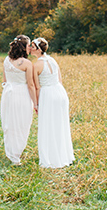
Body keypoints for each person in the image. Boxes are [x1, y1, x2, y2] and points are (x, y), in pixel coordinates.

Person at [30, 37, 74, 168]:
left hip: (48, 95)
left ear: (38, 49)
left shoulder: (36, 65)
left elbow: (37, 87)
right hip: (60, 93)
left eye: (32, 46)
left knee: (48, 125)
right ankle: (64, 154)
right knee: (61, 124)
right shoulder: (53, 61)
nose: (30, 48)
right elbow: (59, 79)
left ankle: (51, 158)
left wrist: (36, 104)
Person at [0, 35, 37, 165]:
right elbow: (31, 85)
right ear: (23, 47)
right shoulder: (27, 64)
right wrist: (36, 103)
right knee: (22, 123)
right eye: (28, 46)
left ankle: (11, 151)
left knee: (10, 122)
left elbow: (4, 81)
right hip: (22, 94)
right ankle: (16, 153)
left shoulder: (6, 60)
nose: (30, 49)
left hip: (8, 94)